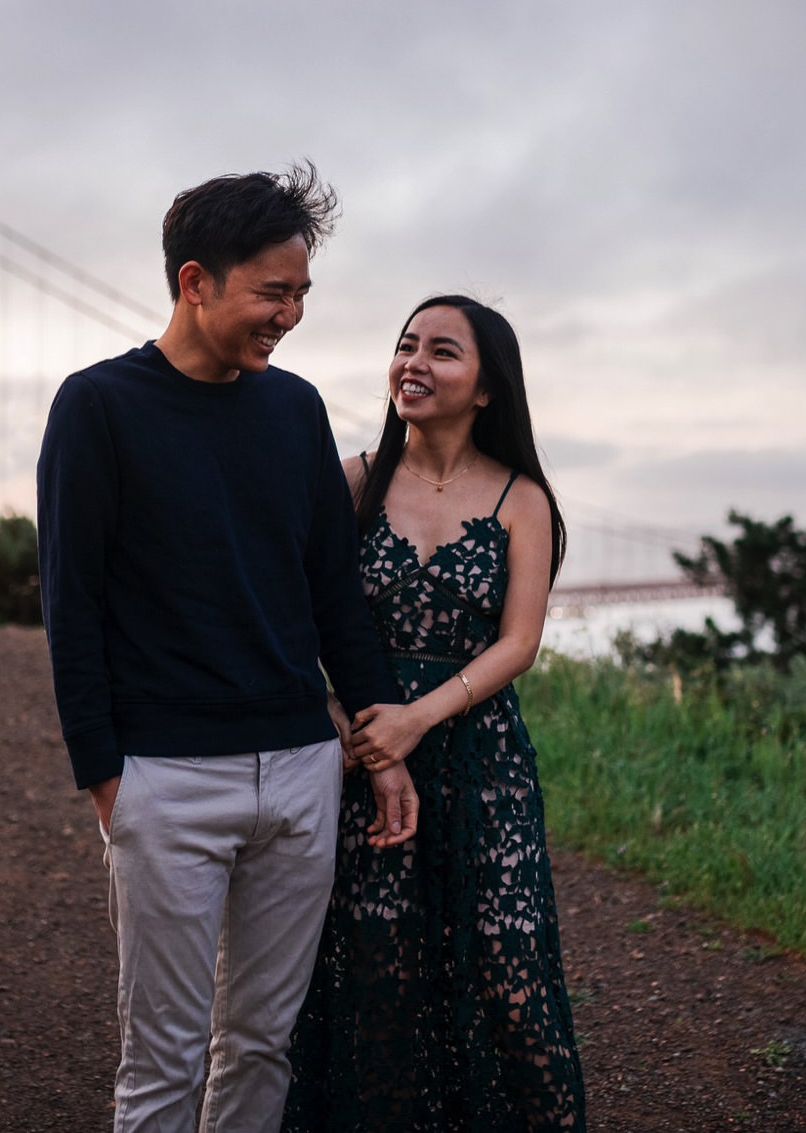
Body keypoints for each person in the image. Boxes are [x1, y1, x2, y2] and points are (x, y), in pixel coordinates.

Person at [37, 163, 420, 1133]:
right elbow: (70, 604)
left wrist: (376, 745)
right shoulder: (97, 408)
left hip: (299, 768)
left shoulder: (293, 411)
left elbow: (332, 591)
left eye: (300, 294)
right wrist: (104, 777)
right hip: (164, 777)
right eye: (271, 292)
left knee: (258, 1046)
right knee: (159, 1065)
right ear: (194, 281)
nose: (289, 314)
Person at [285, 294, 587, 1131]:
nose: (414, 361)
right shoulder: (354, 480)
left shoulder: (522, 498)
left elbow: (518, 641)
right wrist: (350, 718)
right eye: (405, 344)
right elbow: (303, 614)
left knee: (509, 969)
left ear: (487, 388)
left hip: (483, 760)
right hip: (364, 759)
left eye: (442, 351)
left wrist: (419, 717)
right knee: (378, 972)